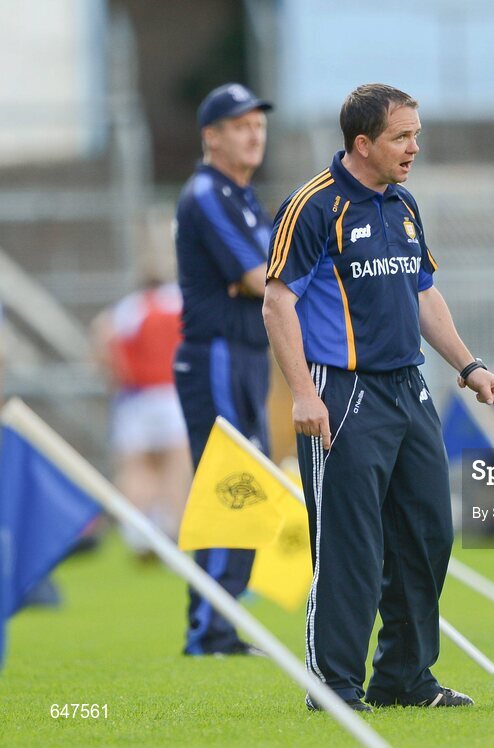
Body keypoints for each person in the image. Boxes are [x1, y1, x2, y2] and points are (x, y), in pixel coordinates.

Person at [263, 84, 494, 713]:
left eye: (416, 134)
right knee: (350, 543)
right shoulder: (313, 207)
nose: (414, 147)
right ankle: (332, 687)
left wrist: (470, 366)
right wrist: (303, 393)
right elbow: (278, 303)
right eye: (401, 137)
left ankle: (404, 677)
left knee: (430, 533)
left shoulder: (403, 204)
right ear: (362, 144)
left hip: (410, 388)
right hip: (343, 392)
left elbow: (423, 294)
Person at [173, 83, 274, 656]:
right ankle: (209, 628)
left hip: (246, 353)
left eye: (258, 123)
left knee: (246, 484)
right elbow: (259, 278)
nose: (254, 132)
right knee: (228, 483)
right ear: (211, 137)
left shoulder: (243, 197)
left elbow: (266, 277)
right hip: (215, 353)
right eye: (240, 124)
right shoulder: (207, 193)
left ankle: (219, 622)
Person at [92, 276, 192, 557]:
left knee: (136, 467)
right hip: (172, 393)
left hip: (138, 395)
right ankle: (172, 530)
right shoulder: (179, 301)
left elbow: (103, 334)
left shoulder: (132, 307)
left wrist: (116, 374)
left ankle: (136, 534)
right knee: (176, 466)